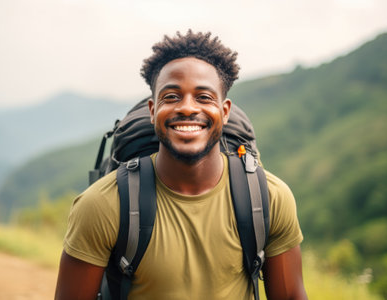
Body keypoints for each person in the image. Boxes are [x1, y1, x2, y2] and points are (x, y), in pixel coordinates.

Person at [55, 30, 308, 300]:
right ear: (152, 111)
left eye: (204, 97)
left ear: (224, 111)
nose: (187, 107)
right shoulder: (103, 205)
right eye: (172, 96)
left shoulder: (268, 198)